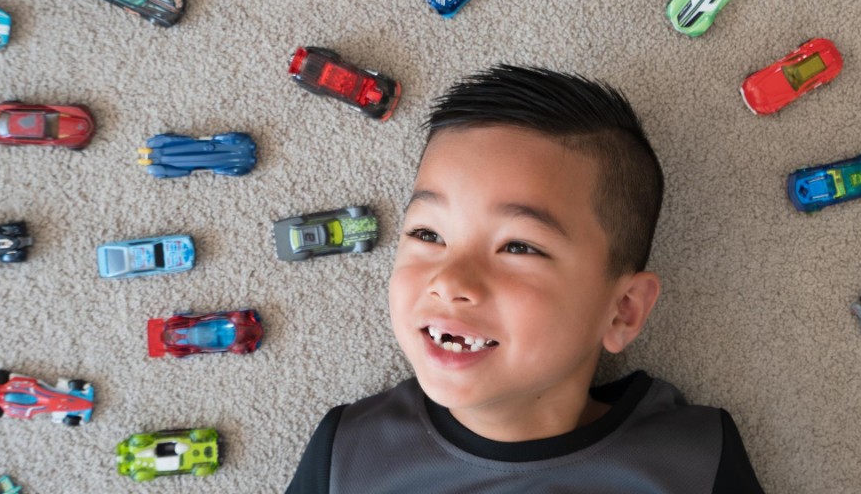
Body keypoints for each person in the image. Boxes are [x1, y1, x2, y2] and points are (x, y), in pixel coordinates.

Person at [286, 65, 764, 493]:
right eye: (428, 233)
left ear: (623, 310)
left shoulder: (695, 462)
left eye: (518, 247)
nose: (450, 280)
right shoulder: (348, 453)